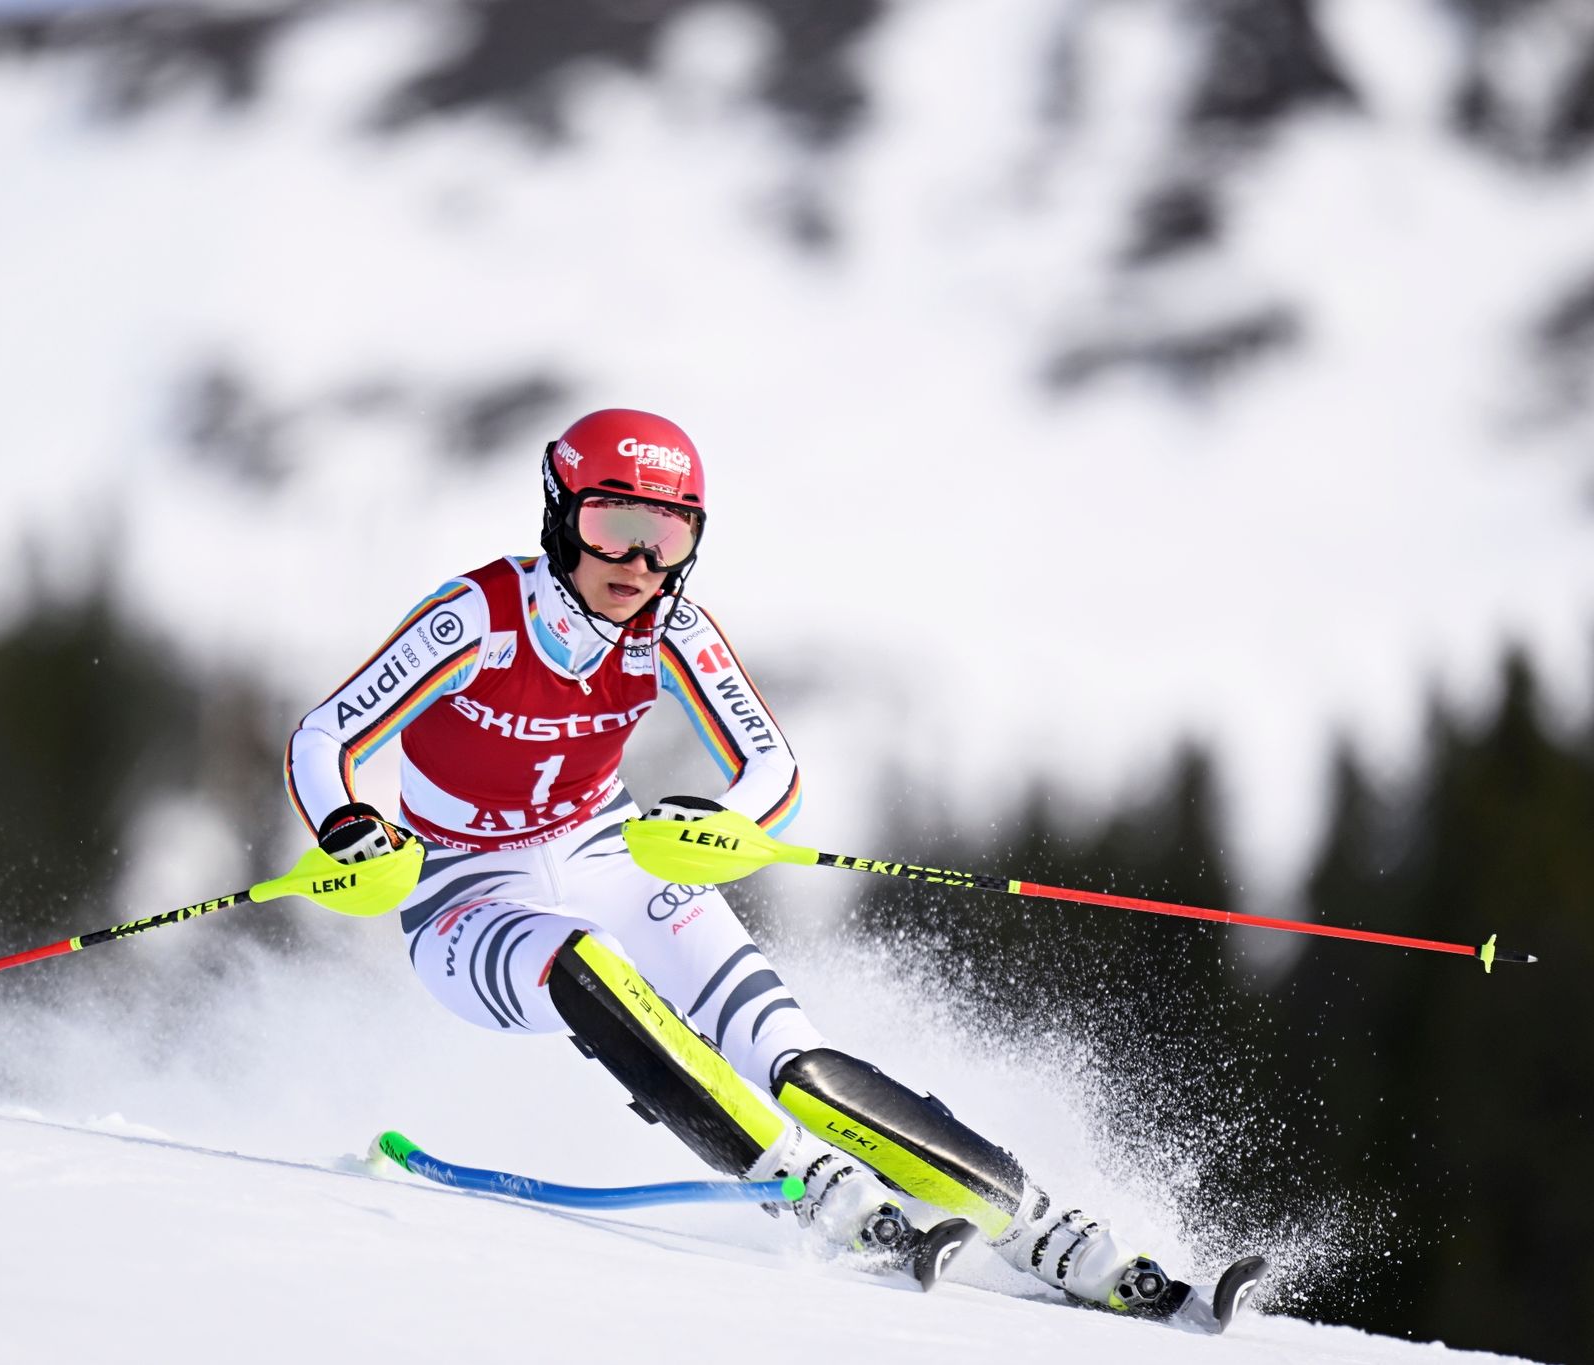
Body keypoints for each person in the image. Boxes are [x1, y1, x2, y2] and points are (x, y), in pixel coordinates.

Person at [285, 409, 1199, 1315]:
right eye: (615, 527)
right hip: (465, 896)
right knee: (579, 963)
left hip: (611, 856)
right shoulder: (476, 617)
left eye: (667, 536)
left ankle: (1048, 1228)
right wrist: (347, 823)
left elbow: (773, 770)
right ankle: (808, 1187)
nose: (639, 565)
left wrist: (722, 820)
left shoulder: (671, 628)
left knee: (788, 1060)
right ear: (562, 517)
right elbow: (326, 737)